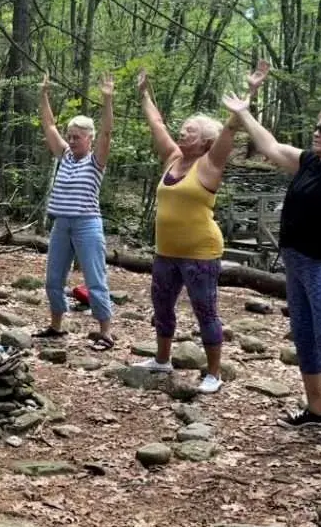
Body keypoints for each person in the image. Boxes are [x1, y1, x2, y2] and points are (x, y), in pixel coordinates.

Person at [222, 71, 321, 448]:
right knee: (305, 336)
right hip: (297, 259)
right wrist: (244, 113)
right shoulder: (310, 162)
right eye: (317, 126)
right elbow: (271, 146)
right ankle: (316, 410)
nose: (316, 132)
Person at [131, 63, 268, 394]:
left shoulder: (210, 163)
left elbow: (231, 127)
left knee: (205, 310)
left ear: (206, 141)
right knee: (162, 306)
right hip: (166, 251)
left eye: (190, 131)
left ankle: (213, 373)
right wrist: (144, 94)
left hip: (200, 253)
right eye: (183, 129)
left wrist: (250, 93)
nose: (182, 133)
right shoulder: (172, 158)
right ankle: (162, 359)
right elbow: (157, 124)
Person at [34, 72, 115, 349]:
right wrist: (44, 94)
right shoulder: (65, 155)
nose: (72, 140)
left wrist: (107, 99)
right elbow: (48, 125)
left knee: (95, 279)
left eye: (77, 137)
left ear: (89, 138)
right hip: (62, 224)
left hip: (87, 224)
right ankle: (56, 326)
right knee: (53, 279)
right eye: (70, 136)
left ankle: (105, 333)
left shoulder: (96, 160)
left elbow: (107, 132)